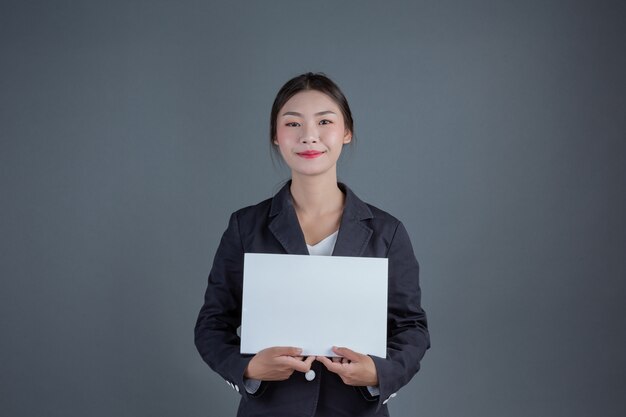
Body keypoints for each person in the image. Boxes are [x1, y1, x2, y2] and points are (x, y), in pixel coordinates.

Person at [194, 72, 430, 417]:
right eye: (292, 123)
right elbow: (212, 324)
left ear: (346, 132)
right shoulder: (246, 227)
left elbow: (412, 327)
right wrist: (248, 370)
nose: (309, 136)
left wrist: (379, 374)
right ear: (276, 136)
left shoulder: (387, 231)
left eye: (324, 121)